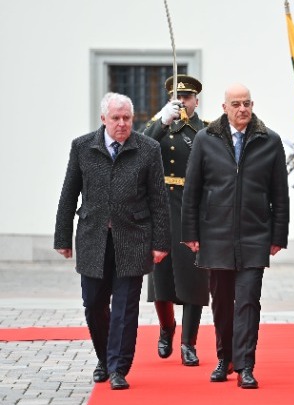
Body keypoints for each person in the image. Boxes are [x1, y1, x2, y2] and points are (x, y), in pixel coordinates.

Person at [54, 92, 171, 390]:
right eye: (116, 118)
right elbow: (69, 194)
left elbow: (159, 200)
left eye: (127, 118)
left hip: (133, 238)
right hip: (93, 238)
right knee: (93, 304)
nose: (122, 123)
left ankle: (119, 367)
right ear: (103, 119)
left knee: (125, 307)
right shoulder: (82, 147)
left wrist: (161, 242)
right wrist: (62, 237)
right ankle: (104, 358)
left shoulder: (148, 149)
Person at [181, 83, 290, 388]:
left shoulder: (269, 141)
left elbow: (280, 193)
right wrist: (190, 232)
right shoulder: (206, 139)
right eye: (236, 104)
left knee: (248, 301)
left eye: (247, 103)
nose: (243, 109)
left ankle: (245, 366)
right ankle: (224, 358)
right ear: (224, 108)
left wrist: (278, 234)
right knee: (221, 303)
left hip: (255, 234)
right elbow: (192, 190)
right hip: (215, 234)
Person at [143, 74, 209, 366]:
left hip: (192, 210)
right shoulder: (158, 127)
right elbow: (138, 148)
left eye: (187, 97)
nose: (182, 102)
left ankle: (188, 343)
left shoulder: (205, 131)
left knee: (194, 279)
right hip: (161, 209)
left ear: (196, 101)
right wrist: (162, 122)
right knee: (161, 280)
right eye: (177, 97)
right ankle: (166, 327)